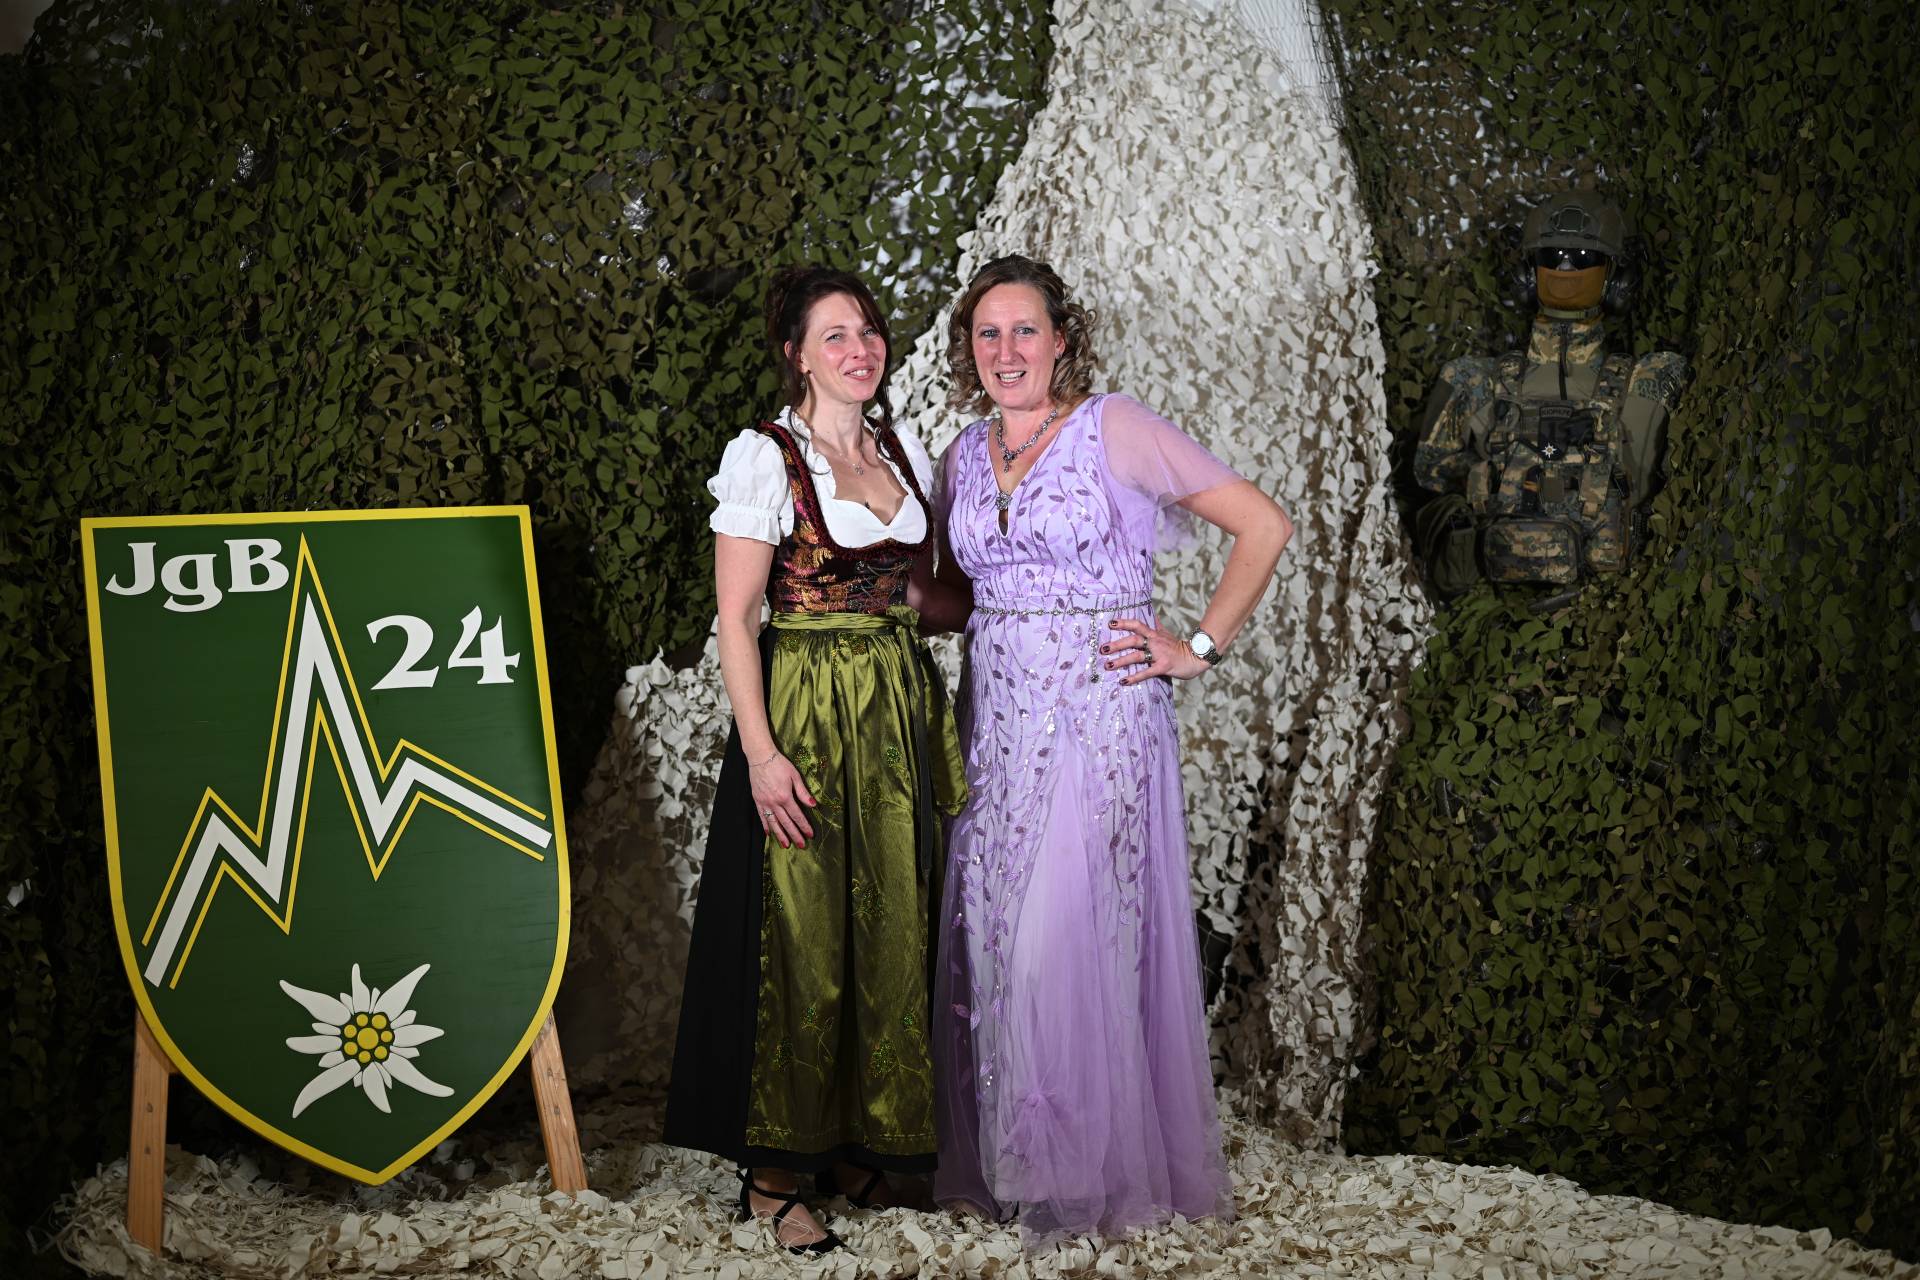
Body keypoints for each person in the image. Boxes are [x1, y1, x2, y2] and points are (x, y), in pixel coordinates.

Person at [930, 254, 1293, 1243]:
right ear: (970, 349)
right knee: (994, 938)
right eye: (988, 333)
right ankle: (1014, 1162)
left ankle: (1081, 1178)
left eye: (1025, 329)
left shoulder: (1114, 427)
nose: (1007, 349)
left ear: (1061, 338)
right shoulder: (963, 454)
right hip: (995, 728)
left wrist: (1198, 648)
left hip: (1098, 724)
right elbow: (959, 591)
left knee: (1062, 938)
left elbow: (1263, 524)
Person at [664, 265, 969, 1254]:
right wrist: (761, 756)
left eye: (868, 331)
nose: (859, 349)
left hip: (892, 715)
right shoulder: (765, 456)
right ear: (797, 353)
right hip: (804, 710)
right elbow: (736, 617)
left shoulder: (897, 448)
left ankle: (857, 1143)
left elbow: (920, 594)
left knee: (886, 928)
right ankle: (772, 1177)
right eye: (834, 335)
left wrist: (1030, 598)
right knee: (801, 939)